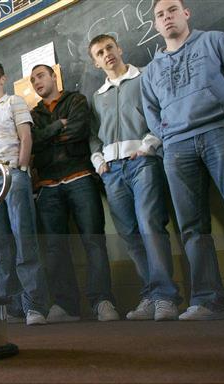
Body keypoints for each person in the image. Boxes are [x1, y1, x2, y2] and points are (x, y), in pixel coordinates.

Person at [141, 0, 224, 320]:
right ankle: (208, 300)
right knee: (192, 228)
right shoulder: (151, 70)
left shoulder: (216, 41)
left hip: (222, 132)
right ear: (155, 25)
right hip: (177, 148)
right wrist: (169, 138)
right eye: (160, 15)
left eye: (172, 10)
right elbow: (152, 114)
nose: (166, 17)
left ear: (186, 13)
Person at [88, 34, 181, 321]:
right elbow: (93, 135)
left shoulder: (144, 77)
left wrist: (147, 146)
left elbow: (161, 111)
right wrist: (99, 161)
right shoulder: (98, 95)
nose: (107, 55)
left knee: (150, 225)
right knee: (129, 234)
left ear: (120, 48)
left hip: (142, 163)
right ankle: (150, 295)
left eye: (109, 48)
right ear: (96, 62)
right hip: (112, 172)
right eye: (100, 53)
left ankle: (166, 297)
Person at [30, 64, 119, 322]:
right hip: (47, 185)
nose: (37, 81)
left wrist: (48, 137)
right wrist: (58, 125)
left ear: (54, 77)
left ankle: (101, 300)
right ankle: (66, 306)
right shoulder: (32, 114)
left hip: (80, 176)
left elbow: (79, 131)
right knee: (55, 248)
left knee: (93, 240)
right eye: (33, 79)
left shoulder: (76, 100)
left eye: (41, 76)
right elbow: (33, 143)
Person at [0, 58, 51, 325]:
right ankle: (10, 307)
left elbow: (25, 137)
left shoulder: (14, 102)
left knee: (24, 239)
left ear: (2, 79)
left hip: (12, 176)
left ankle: (34, 307)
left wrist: (22, 168)